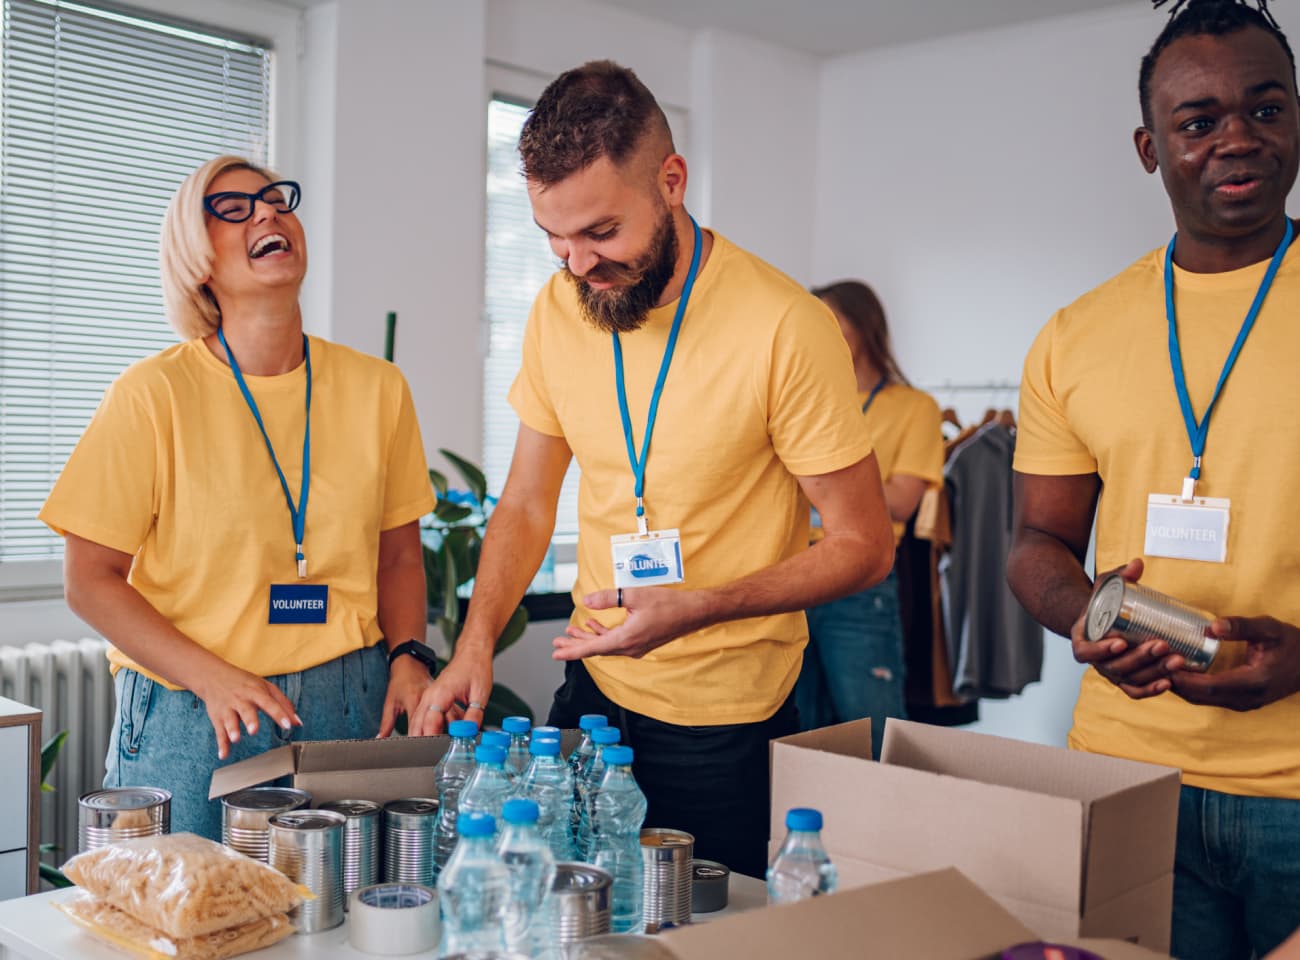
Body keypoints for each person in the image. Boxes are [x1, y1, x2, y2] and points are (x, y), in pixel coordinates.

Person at [417, 61, 894, 877]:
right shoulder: (557, 308)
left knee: (697, 934)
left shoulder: (785, 325)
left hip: (727, 718)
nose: (576, 266)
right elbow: (530, 501)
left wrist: (701, 607)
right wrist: (475, 643)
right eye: (553, 239)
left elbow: (863, 544)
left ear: (671, 181)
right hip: (595, 689)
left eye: (602, 234)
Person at [1006, 3, 1300, 957]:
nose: (1237, 138)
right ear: (1150, 147)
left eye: (1265, 108)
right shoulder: (1076, 334)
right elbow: (1035, 545)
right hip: (1128, 779)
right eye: (1199, 119)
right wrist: (1087, 615)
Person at [39, 156, 438, 839]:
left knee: (338, 931)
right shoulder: (151, 395)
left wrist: (410, 655)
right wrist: (211, 678)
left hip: (349, 701)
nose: (267, 213)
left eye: (276, 200)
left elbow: (398, 556)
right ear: (197, 262)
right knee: (180, 924)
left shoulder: (379, 389)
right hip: (193, 708)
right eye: (232, 209)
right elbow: (89, 581)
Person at [795, 281, 943, 757]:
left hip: (859, 575)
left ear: (866, 326)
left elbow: (901, 502)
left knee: (874, 732)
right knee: (798, 732)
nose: (820, 335)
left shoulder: (914, 406)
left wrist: (818, 482)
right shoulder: (803, 401)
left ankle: (887, 827)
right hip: (789, 571)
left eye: (831, 322)